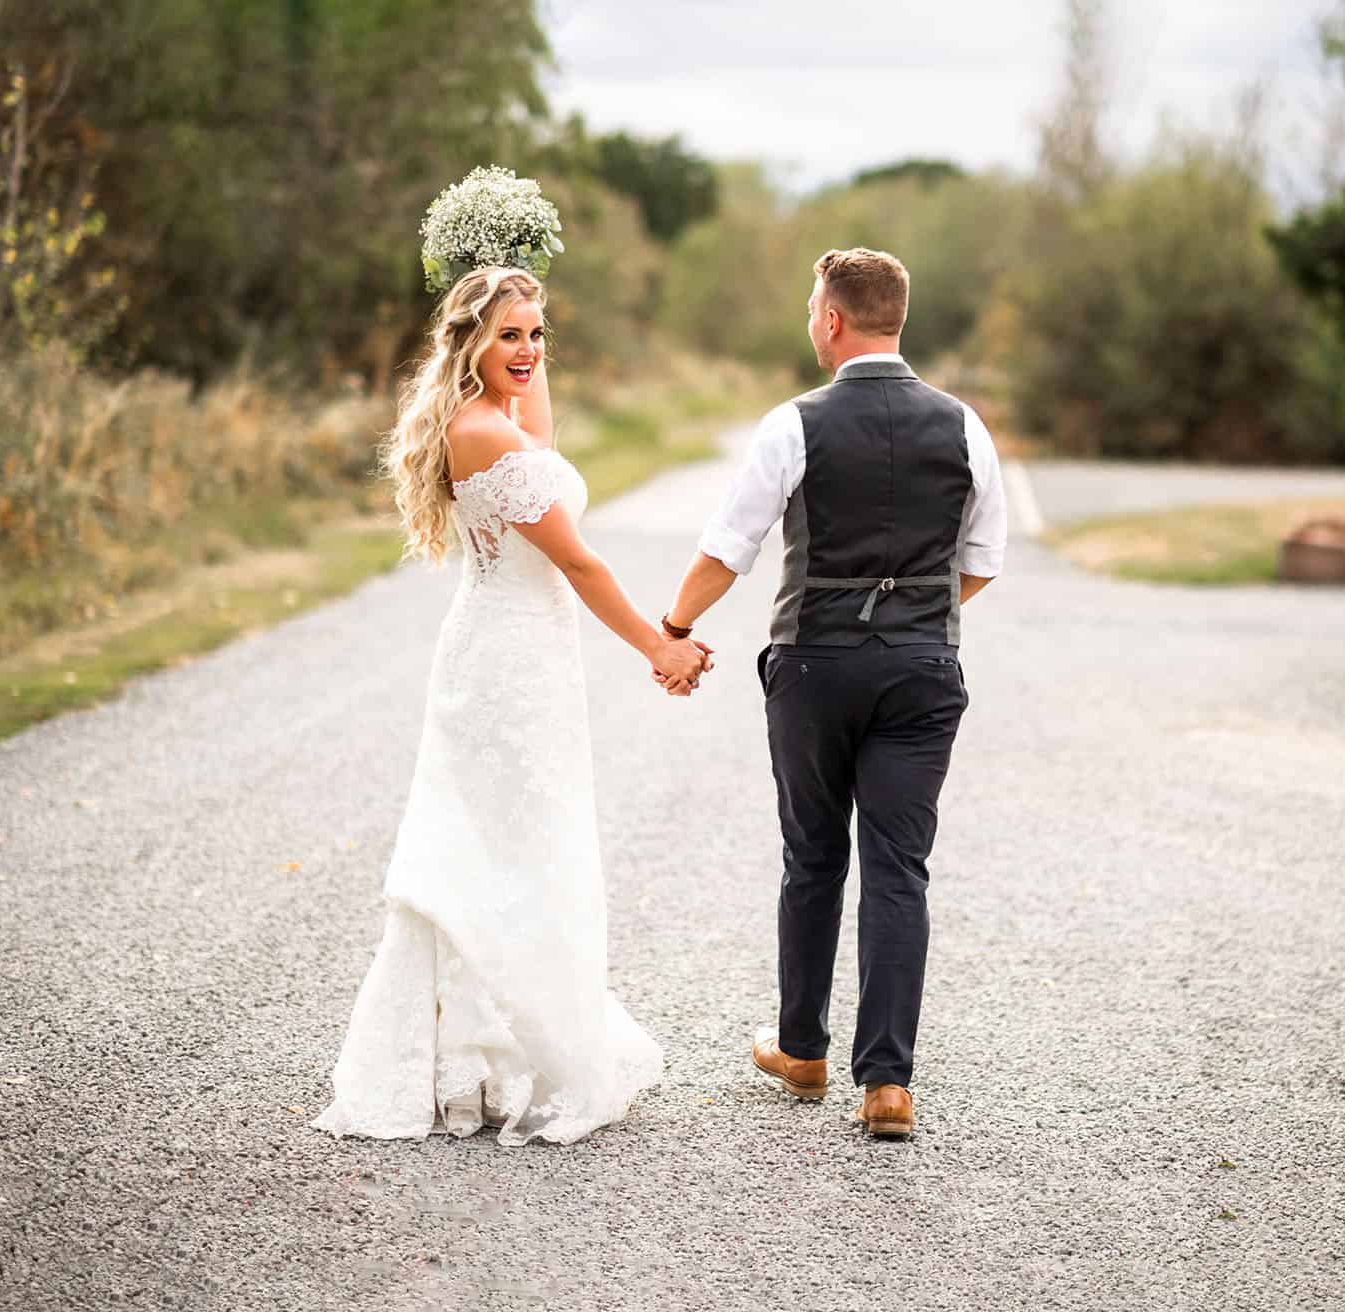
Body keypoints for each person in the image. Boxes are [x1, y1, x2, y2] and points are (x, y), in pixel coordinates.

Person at [312, 268, 709, 1147]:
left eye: (537, 334)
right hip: (505, 667)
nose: (527, 351)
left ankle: (494, 1059)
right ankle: (493, 1058)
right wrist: (661, 647)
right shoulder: (481, 435)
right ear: (468, 345)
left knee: (521, 846)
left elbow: (545, 437)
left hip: (523, 654)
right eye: (508, 337)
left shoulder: (497, 421)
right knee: (510, 849)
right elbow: (581, 564)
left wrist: (518, 289)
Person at [659, 248, 1007, 1139]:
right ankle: (887, 1084)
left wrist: (672, 626)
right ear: (898, 318)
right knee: (900, 867)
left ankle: (803, 1051)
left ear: (833, 321)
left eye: (814, 308)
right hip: (923, 670)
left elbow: (728, 547)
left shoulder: (793, 424)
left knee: (813, 856)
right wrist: (913, 615)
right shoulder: (966, 427)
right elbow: (982, 562)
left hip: (814, 665)